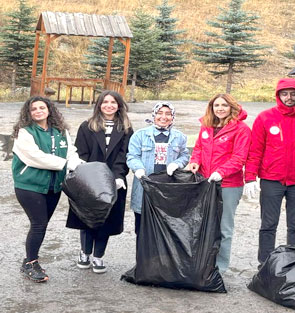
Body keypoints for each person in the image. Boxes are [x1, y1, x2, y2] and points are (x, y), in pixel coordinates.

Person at [244, 78, 295, 265]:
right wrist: (250, 177)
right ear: (278, 95)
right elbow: (255, 150)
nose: (289, 98)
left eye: (293, 94)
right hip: (271, 180)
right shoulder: (265, 118)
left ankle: (294, 264)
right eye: (284, 94)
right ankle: (265, 264)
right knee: (268, 225)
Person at [11, 96, 77, 283]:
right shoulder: (25, 132)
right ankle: (31, 264)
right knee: (38, 224)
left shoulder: (60, 131)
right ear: (29, 113)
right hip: (30, 185)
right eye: (34, 109)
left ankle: (30, 258)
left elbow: (70, 150)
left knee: (42, 225)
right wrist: (65, 163)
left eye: (42, 107)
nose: (38, 111)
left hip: (53, 185)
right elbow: (35, 157)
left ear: (49, 109)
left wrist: (77, 163)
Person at [66, 90, 132, 274]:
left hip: (113, 180)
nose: (109, 105)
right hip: (89, 179)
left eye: (113, 102)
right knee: (87, 217)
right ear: (99, 105)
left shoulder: (126, 128)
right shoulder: (87, 126)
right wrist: (89, 175)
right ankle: (85, 253)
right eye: (105, 102)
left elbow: (124, 155)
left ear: (119, 105)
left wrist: (118, 176)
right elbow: (82, 153)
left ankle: (98, 256)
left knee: (106, 220)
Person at [185, 94, 251, 273]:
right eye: (216, 105)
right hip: (205, 182)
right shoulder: (206, 126)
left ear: (232, 107)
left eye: (224, 105)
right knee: (202, 223)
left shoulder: (241, 129)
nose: (220, 108)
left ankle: (219, 268)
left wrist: (220, 172)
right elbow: (198, 148)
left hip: (228, 184)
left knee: (224, 228)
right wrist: (194, 162)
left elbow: (239, 158)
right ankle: (201, 263)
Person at [126, 102, 191, 234]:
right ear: (154, 115)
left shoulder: (179, 137)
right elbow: (132, 156)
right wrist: (138, 169)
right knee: (142, 225)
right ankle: (144, 253)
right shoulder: (140, 135)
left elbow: (185, 155)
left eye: (168, 114)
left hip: (168, 189)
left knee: (166, 227)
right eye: (160, 113)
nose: (163, 117)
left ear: (173, 116)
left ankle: (163, 254)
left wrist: (176, 164)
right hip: (145, 186)